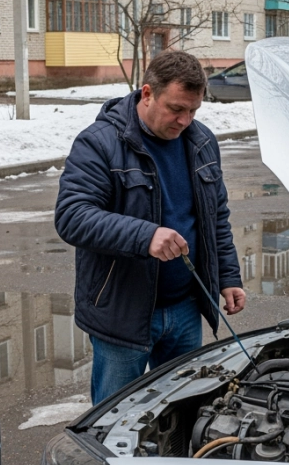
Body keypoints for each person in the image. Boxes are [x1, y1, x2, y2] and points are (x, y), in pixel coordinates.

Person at [55, 51, 246, 403]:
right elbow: (72, 216)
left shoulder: (202, 143)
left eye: (193, 111)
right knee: (112, 425)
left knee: (182, 413)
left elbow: (215, 216)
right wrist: (146, 236)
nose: (185, 120)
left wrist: (229, 276)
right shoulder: (100, 143)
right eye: (176, 109)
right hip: (123, 315)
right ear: (147, 93)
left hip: (186, 308)